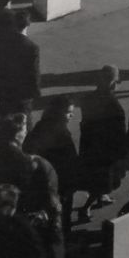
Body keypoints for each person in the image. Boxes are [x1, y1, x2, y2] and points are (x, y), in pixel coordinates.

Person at [24, 95, 81, 235]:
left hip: (42, 183)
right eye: (68, 112)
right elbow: (69, 161)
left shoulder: (40, 126)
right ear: (58, 113)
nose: (72, 115)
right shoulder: (62, 134)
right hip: (59, 184)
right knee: (61, 217)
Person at [76, 65, 128, 217]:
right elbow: (119, 133)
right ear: (113, 83)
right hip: (106, 150)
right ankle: (86, 207)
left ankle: (100, 198)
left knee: (95, 177)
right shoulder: (115, 106)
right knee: (104, 181)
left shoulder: (88, 98)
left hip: (90, 146)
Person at [0, 10, 41, 122]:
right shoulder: (32, 47)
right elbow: (34, 71)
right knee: (24, 120)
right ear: (28, 25)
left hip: (5, 90)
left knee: (5, 119)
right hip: (23, 93)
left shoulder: (3, 43)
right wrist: (36, 91)